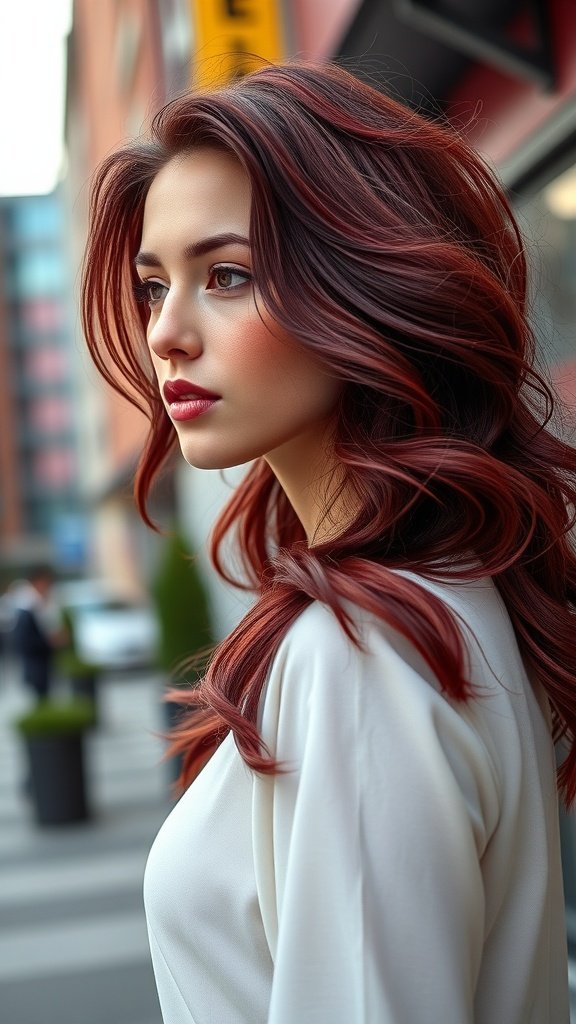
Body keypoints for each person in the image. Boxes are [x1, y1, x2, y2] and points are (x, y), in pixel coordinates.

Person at [81, 61, 576, 1023]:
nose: (166, 333)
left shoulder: (364, 650)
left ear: (361, 285)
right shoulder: (437, 600)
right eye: (152, 286)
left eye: (227, 275)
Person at [11, 565, 64, 702]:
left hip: (43, 662)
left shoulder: (42, 603)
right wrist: (50, 641)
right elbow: (25, 641)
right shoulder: (26, 607)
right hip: (36, 665)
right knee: (41, 698)